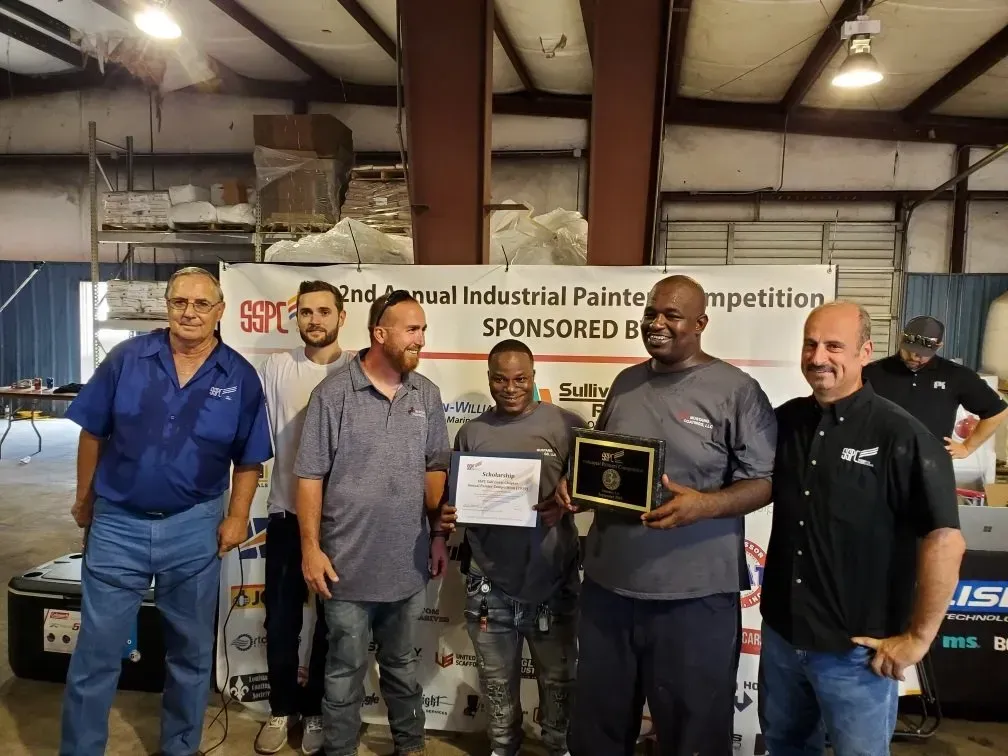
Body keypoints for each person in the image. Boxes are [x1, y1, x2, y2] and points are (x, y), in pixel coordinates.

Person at [555, 275, 777, 756]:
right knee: (599, 730)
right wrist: (577, 488)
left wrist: (705, 504)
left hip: (692, 598)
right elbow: (606, 467)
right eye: (652, 312)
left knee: (693, 735)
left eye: (671, 315)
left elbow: (766, 481)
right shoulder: (626, 381)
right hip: (609, 589)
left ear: (700, 324)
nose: (657, 323)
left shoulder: (736, 390)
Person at [60, 266, 273, 756]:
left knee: (191, 653)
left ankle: (180, 747)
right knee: (96, 653)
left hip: (194, 527)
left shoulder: (238, 376)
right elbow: (92, 431)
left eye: (202, 304)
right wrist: (84, 496)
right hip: (118, 525)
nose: (189, 313)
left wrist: (237, 517)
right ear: (167, 306)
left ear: (220, 312)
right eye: (180, 302)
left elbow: (249, 459)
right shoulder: (126, 359)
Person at [760, 301, 965, 756]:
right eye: (811, 344)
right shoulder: (787, 420)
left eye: (834, 346)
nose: (818, 357)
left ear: (865, 352)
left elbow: (946, 540)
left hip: (856, 654)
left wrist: (917, 638)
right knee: (784, 747)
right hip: (781, 638)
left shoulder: (902, 435)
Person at [293, 289, 451, 756]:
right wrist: (310, 548)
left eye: (422, 329)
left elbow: (435, 467)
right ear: (380, 334)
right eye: (412, 329)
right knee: (343, 673)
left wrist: (439, 534)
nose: (421, 338)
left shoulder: (427, 394)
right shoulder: (333, 395)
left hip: (407, 567)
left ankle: (411, 746)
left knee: (402, 667)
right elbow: (309, 477)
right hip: (346, 568)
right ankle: (339, 750)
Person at [437, 339, 584, 756]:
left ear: (534, 378)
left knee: (559, 682)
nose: (511, 388)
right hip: (488, 580)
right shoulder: (472, 432)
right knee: (496, 681)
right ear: (489, 379)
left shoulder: (565, 424)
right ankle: (504, 747)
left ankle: (559, 747)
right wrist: (448, 514)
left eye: (521, 379)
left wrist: (571, 500)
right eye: (500, 379)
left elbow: (596, 489)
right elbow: (457, 500)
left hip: (552, 577)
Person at [254, 280, 355, 755]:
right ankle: (280, 710)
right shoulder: (277, 366)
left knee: (333, 625)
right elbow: (260, 435)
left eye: (323, 311)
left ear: (341, 316)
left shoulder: (358, 369)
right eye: (305, 312)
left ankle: (315, 711)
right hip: (287, 516)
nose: (314, 320)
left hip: (342, 523)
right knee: (281, 621)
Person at [863, 315, 1008, 459]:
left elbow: (997, 411)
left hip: (931, 469)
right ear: (901, 338)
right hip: (880, 466)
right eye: (910, 350)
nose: (914, 357)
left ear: (938, 346)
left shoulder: (955, 375)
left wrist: (966, 447)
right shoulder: (872, 373)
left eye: (922, 354)